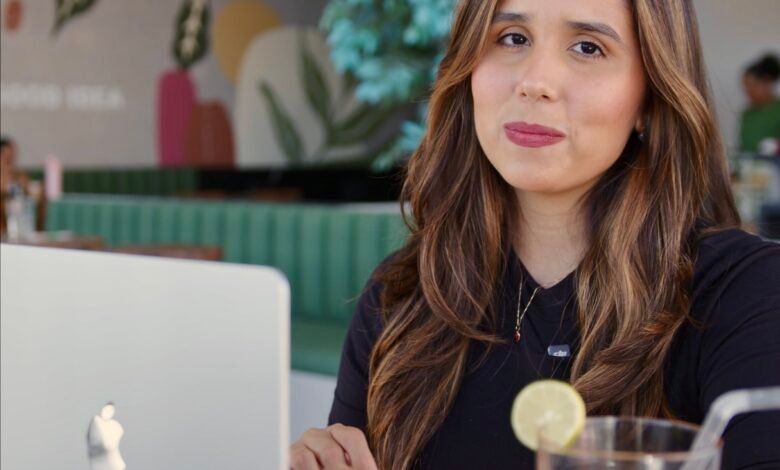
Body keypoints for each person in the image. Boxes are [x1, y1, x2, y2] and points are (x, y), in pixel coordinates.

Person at [290, 0, 780, 468]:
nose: (535, 82)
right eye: (512, 37)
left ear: (650, 98)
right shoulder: (403, 296)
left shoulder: (745, 293)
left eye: (588, 47)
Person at [739, 54, 780, 155]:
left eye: (752, 86)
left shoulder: (777, 110)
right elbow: (743, 145)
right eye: (746, 87)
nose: (748, 91)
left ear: (767, 83)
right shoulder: (747, 114)